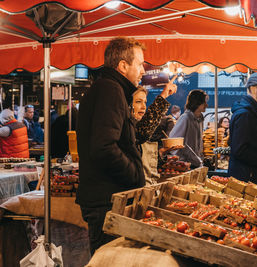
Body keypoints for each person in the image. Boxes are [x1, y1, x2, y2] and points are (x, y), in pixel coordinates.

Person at [76, 37, 176, 255]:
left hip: (108, 198)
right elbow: (103, 147)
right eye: (140, 64)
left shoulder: (114, 90)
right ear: (123, 65)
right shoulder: (109, 91)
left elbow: (134, 137)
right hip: (106, 201)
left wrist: (162, 99)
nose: (143, 70)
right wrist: (134, 174)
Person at [132, 84, 175, 185]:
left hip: (148, 188)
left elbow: (147, 164)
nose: (143, 106)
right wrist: (163, 96)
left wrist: (161, 153)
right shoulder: (133, 130)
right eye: (138, 102)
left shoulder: (141, 128)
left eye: (145, 102)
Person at [170, 89, 208, 168]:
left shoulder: (200, 119)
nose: (206, 105)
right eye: (204, 102)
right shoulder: (185, 118)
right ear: (197, 103)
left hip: (196, 163)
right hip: (185, 165)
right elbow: (173, 140)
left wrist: (200, 159)